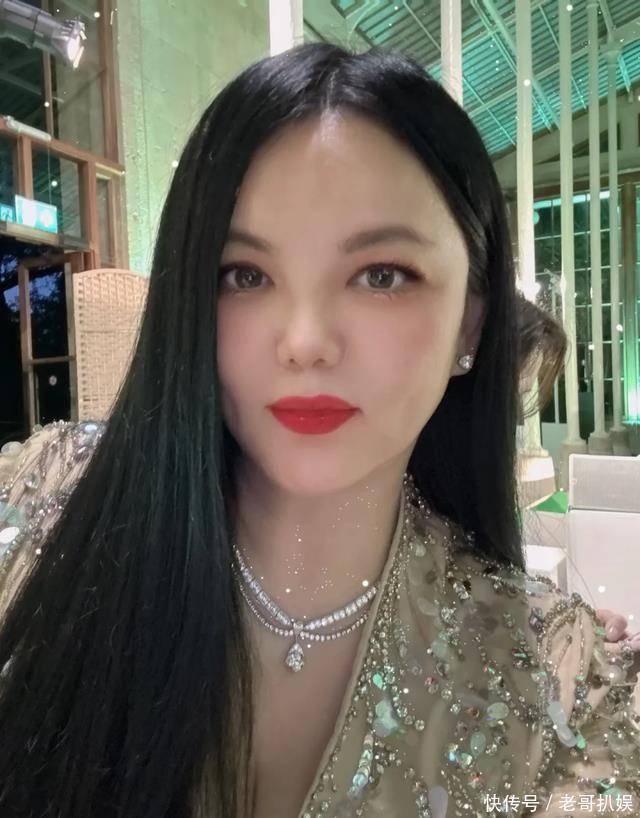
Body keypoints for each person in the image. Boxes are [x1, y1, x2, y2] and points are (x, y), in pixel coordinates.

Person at [0, 42, 638, 818]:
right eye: (245, 275)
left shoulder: (558, 690)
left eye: (381, 276)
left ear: (470, 321)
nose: (304, 342)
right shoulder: (44, 508)